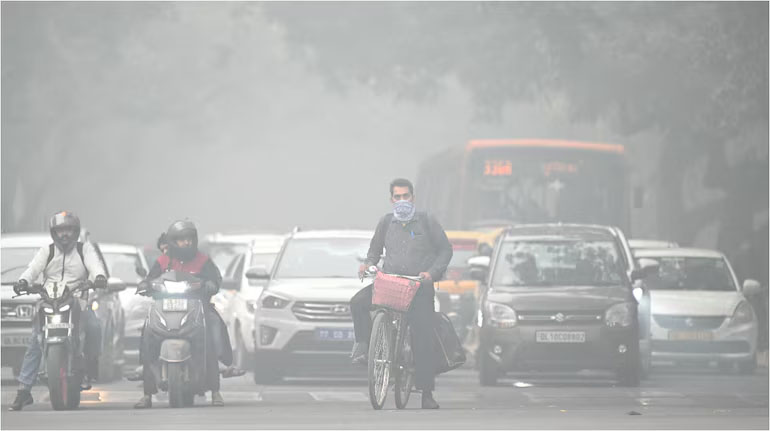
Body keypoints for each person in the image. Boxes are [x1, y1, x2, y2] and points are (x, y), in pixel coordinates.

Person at [349, 178, 453, 409]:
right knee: (357, 303)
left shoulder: (427, 221)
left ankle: (426, 394)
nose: (402, 201)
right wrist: (368, 264)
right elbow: (375, 249)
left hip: (419, 287)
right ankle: (365, 347)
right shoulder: (386, 222)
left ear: (413, 198)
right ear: (391, 200)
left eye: (406, 196)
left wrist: (432, 273)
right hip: (390, 283)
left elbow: (445, 249)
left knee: (422, 337)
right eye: (398, 197)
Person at [134, 220, 243, 408]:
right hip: (164, 307)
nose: (187, 243)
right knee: (148, 331)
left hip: (198, 307)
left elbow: (215, 280)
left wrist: (209, 285)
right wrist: (145, 285)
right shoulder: (163, 261)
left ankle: (216, 387)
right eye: (182, 240)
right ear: (173, 242)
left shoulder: (203, 260)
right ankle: (147, 392)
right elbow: (150, 279)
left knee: (213, 327)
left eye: (189, 239)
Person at [9, 211, 108, 411]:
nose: (65, 234)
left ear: (76, 231)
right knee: (36, 340)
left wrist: (98, 277)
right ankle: (24, 391)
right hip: (49, 301)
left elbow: (96, 266)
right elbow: (33, 269)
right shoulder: (47, 250)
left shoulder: (84, 249)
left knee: (94, 326)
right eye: (61, 230)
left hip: (77, 300)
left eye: (69, 230)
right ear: (54, 232)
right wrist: (23, 281)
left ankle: (90, 366)